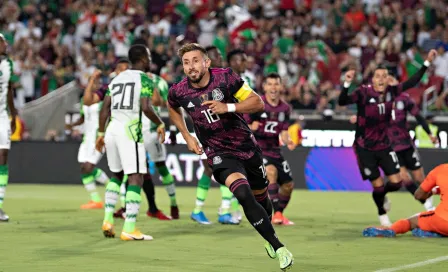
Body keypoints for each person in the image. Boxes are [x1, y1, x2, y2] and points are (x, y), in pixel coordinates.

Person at [168, 43, 293, 270]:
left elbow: (257, 102)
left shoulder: (226, 78)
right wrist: (186, 136)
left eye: (195, 60)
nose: (191, 67)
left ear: (207, 62)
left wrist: (228, 108)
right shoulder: (179, 90)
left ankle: (268, 234)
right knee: (243, 194)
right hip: (218, 153)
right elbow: (172, 107)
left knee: (261, 198)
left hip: (247, 148)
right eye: (186, 62)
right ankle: (278, 246)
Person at [338, 49, 437, 227]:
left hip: (384, 145)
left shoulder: (393, 92)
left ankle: (382, 196)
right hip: (365, 147)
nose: (382, 79)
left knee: (397, 182)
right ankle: (382, 213)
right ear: (373, 79)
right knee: (377, 185)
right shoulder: (363, 93)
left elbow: (413, 81)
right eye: (378, 76)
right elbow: (342, 102)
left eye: (385, 76)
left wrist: (427, 62)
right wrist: (346, 84)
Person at [96, 44, 165, 241]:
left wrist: (101, 133)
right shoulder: (144, 78)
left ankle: (108, 219)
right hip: (130, 131)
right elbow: (146, 106)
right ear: (143, 58)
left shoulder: (116, 78)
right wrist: (160, 123)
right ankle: (129, 228)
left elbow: (104, 109)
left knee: (116, 175)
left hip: (112, 130)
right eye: (149, 57)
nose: (151, 61)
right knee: (136, 177)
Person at [190, 45, 241, 225]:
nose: (220, 58)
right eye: (216, 56)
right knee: (223, 168)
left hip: (221, 133)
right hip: (208, 134)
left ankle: (210, 210)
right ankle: (224, 211)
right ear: (207, 61)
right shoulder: (201, 84)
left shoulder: (220, 79)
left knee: (215, 168)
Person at [247, 73, 296, 226]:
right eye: (270, 84)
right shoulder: (256, 103)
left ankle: (279, 214)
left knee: (288, 186)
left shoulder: (285, 108)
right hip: (258, 149)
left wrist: (288, 140)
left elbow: (284, 131)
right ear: (264, 86)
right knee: (271, 172)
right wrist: (250, 127)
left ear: (281, 86)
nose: (273, 88)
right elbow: (241, 126)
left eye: (276, 84)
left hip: (275, 150)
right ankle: (275, 216)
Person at [363, 163, 448, 238]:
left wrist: (430, 192)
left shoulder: (440, 170)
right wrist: (436, 190)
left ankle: (391, 230)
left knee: (411, 222)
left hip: (443, 220)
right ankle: (434, 233)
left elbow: (418, 195)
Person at [387, 88, 436, 211]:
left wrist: (429, 133)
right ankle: (426, 204)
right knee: (404, 178)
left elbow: (418, 116)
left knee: (419, 178)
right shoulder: (378, 100)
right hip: (392, 147)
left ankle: (429, 198)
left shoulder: (404, 98)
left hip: (406, 145)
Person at [67, 71, 110, 209]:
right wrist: (72, 125)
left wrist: (92, 79)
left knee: (88, 167)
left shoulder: (103, 99)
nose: (94, 85)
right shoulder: (84, 100)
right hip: (87, 139)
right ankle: (96, 200)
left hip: (99, 137)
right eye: (92, 82)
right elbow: (82, 118)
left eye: (97, 82)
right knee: (84, 168)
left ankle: (112, 187)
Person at [0, 34, 17, 222]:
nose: (5, 45)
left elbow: (9, 89)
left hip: (2, 116)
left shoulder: (8, 64)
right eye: (2, 42)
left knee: (2, 156)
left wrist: (14, 115)